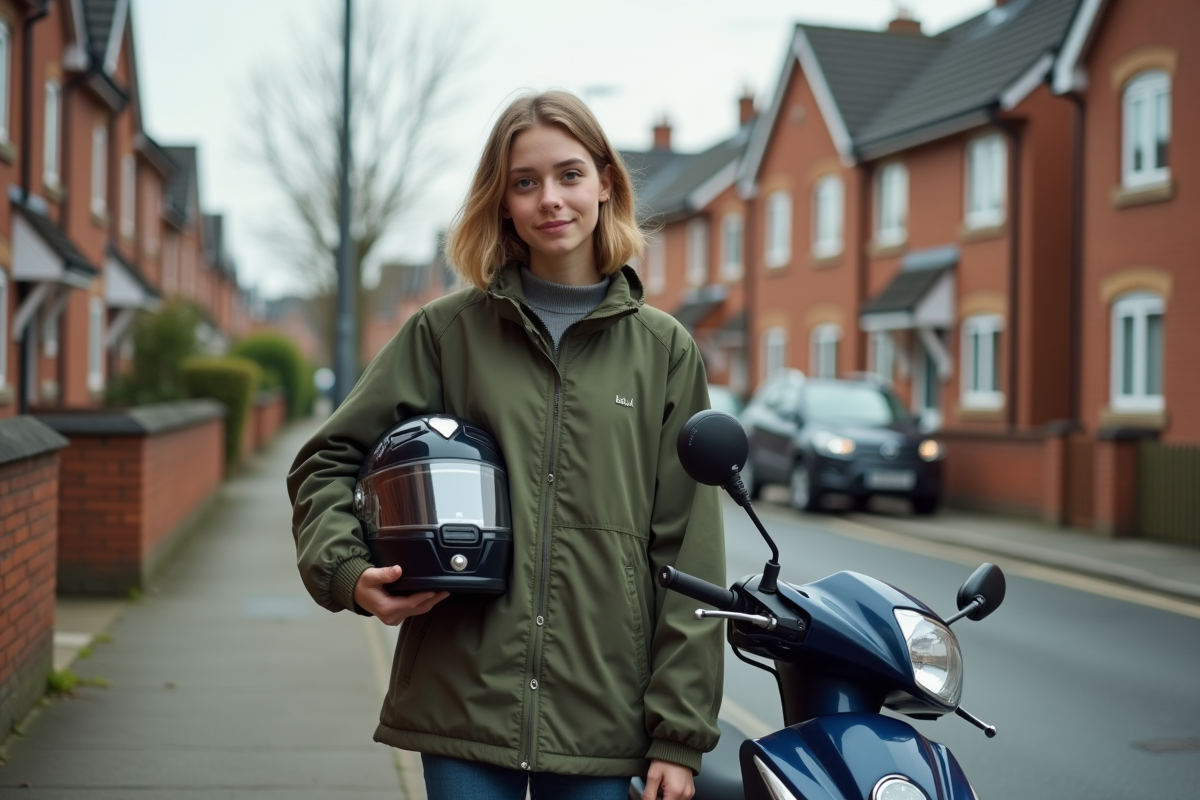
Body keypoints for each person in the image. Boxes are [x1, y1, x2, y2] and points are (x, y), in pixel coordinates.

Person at [287, 90, 725, 800]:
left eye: (569, 175)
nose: (550, 199)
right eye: (525, 182)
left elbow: (689, 554)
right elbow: (328, 461)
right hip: (459, 701)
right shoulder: (444, 333)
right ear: (503, 202)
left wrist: (679, 732)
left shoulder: (664, 351)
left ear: (605, 183)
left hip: (604, 720)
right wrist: (348, 571)